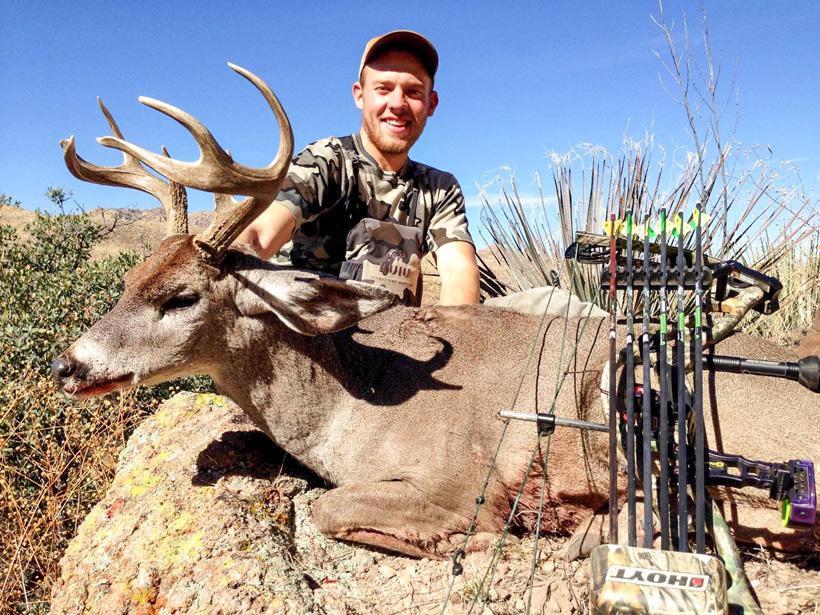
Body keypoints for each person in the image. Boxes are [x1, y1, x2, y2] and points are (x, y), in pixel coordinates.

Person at [236, 30, 480, 306]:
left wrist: (456, 329)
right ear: (359, 95)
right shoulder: (325, 161)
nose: (398, 104)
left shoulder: (439, 188)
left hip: (395, 342)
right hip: (304, 338)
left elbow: (459, 270)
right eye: (383, 89)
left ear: (431, 104)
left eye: (413, 92)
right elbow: (258, 236)